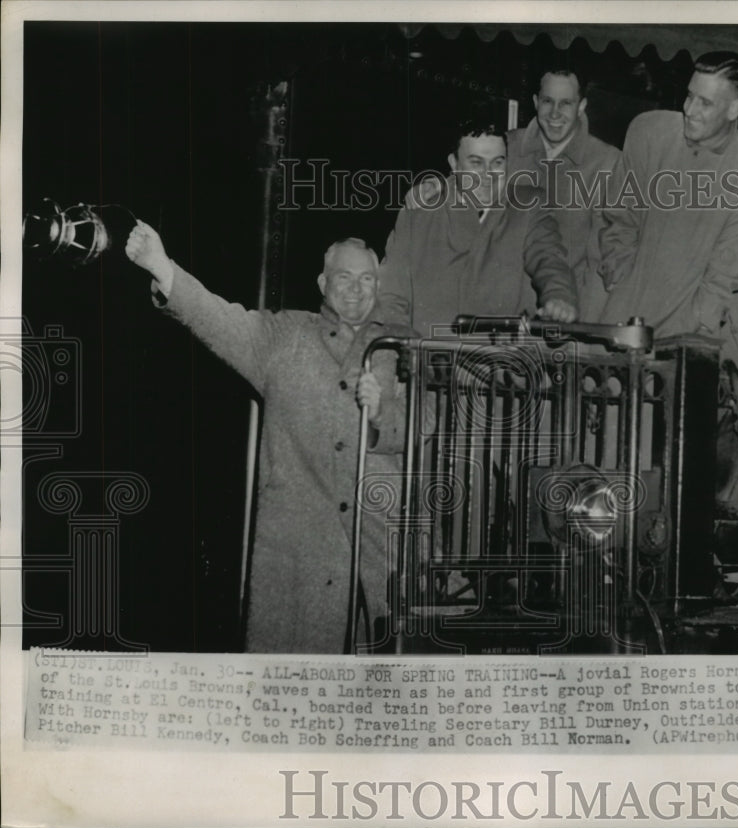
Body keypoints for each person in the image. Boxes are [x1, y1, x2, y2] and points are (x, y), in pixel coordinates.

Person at [125, 222, 413, 654]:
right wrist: (162, 266)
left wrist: (383, 415)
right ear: (322, 283)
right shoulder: (283, 336)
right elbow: (218, 318)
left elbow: (428, 426)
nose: (356, 289)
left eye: (367, 278)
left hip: (378, 563)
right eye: (344, 277)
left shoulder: (400, 350)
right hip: (296, 567)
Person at [597, 51, 738, 373]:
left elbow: (727, 271)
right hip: (620, 322)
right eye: (689, 96)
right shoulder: (649, 131)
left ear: (734, 109)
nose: (689, 110)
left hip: (687, 342)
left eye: (705, 103)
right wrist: (620, 281)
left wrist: (691, 337)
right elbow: (620, 216)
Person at [378, 118, 578, 336]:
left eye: (498, 162)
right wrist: (407, 352)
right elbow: (392, 297)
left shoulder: (528, 205)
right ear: (454, 164)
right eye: (476, 163)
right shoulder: (419, 212)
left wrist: (558, 297)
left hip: (504, 364)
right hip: (431, 361)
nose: (488, 175)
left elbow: (548, 258)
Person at [505, 69, 622, 322]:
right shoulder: (508, 148)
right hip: (505, 313)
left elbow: (606, 252)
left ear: (581, 106)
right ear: (536, 102)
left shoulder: (607, 162)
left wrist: (583, 324)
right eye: (548, 101)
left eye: (566, 103)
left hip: (568, 316)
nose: (555, 113)